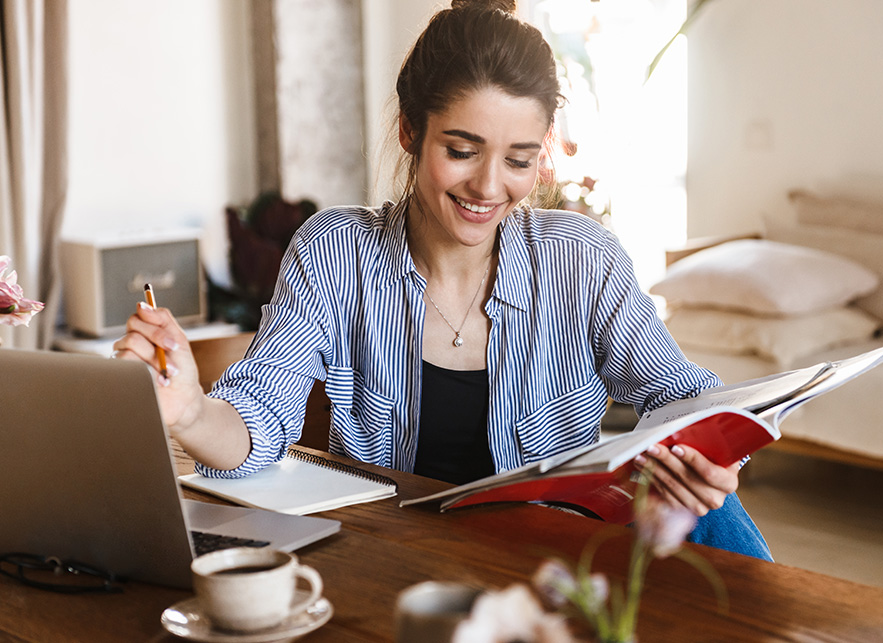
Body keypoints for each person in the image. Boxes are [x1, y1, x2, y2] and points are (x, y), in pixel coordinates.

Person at [114, 0, 771, 560]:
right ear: (409, 130)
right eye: (461, 151)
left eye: (518, 159)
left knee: (716, 521)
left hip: (549, 562)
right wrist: (193, 411)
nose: (489, 187)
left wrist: (713, 456)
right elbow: (257, 423)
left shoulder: (583, 259)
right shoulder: (333, 252)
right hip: (397, 559)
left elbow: (683, 395)